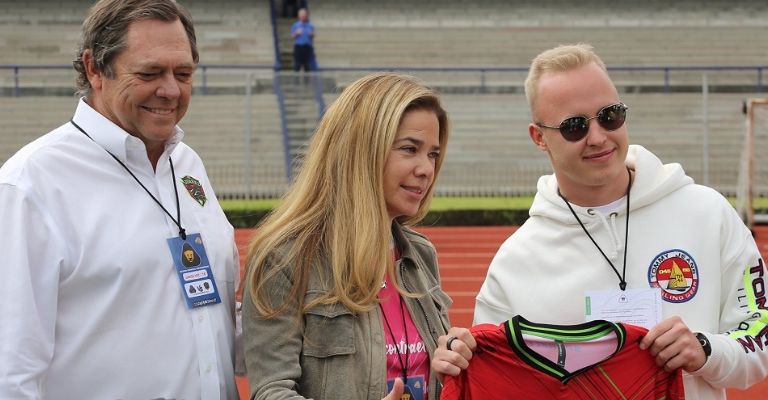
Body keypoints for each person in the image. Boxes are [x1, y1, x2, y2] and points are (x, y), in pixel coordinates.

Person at [458, 43, 768, 399]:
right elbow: (492, 378)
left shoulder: (707, 213)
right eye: (574, 126)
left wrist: (706, 351)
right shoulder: (514, 263)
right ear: (539, 137)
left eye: (610, 115)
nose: (598, 137)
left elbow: (761, 332)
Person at [0, 0, 239, 398]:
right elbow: (11, 372)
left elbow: (214, 319)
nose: (170, 90)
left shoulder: (188, 164)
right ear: (94, 68)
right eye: (149, 73)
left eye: (183, 73)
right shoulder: (31, 185)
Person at [242, 72, 471, 400]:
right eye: (410, 149)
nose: (426, 169)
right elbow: (271, 392)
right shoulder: (284, 258)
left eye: (432, 154)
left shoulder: (420, 254)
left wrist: (451, 364)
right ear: (362, 151)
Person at [290, 7, 316, 72]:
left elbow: (313, 35)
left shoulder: (310, 25)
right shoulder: (295, 25)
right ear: (299, 16)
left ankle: (307, 78)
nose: (303, 16)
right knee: (297, 65)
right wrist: (296, 33)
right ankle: (296, 78)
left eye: (304, 15)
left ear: (306, 16)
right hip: (298, 46)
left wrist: (312, 34)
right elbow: (292, 36)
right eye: (301, 15)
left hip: (307, 47)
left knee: (307, 65)